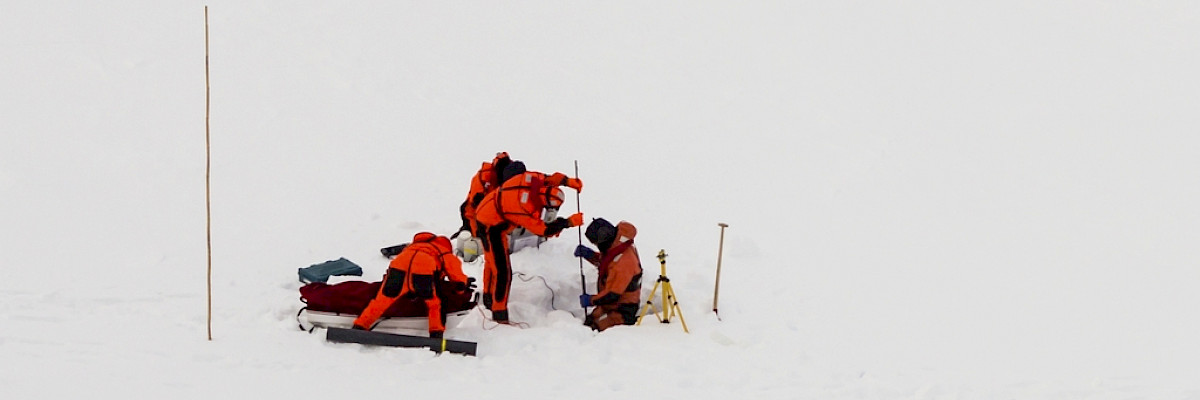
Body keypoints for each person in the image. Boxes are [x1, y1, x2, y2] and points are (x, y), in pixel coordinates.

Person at [474, 161, 584, 323]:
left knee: (493, 263)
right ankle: (499, 314)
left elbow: (550, 178)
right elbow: (543, 230)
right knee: (503, 272)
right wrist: (567, 222)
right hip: (490, 225)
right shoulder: (524, 207)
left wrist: (568, 182)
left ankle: (489, 298)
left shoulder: (533, 180)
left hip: (491, 211)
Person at [353, 232, 473, 338]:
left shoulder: (410, 248)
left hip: (398, 266)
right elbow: (456, 276)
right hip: (424, 270)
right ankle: (436, 333)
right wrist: (462, 288)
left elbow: (389, 274)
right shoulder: (443, 251)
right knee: (435, 304)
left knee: (381, 301)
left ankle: (360, 326)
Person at [574, 218, 643, 331]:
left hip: (622, 310)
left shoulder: (623, 262)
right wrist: (590, 256)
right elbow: (608, 263)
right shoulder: (617, 244)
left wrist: (591, 300)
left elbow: (611, 295)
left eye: (595, 243)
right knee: (589, 320)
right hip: (609, 306)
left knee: (593, 329)